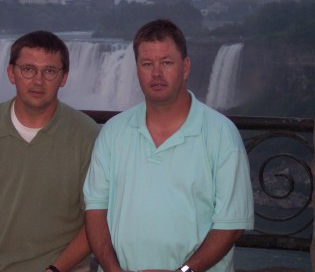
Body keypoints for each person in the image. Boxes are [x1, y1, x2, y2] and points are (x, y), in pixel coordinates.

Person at [83, 19, 254, 272]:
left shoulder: (221, 135)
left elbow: (231, 225)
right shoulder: (112, 132)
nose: (156, 74)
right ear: (137, 69)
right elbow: (96, 210)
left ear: (185, 67)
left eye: (166, 63)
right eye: (147, 64)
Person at [0, 30, 100, 272]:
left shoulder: (86, 134)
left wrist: (56, 270)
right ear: (11, 73)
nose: (38, 81)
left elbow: (95, 221)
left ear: (64, 78)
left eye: (50, 71)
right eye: (28, 69)